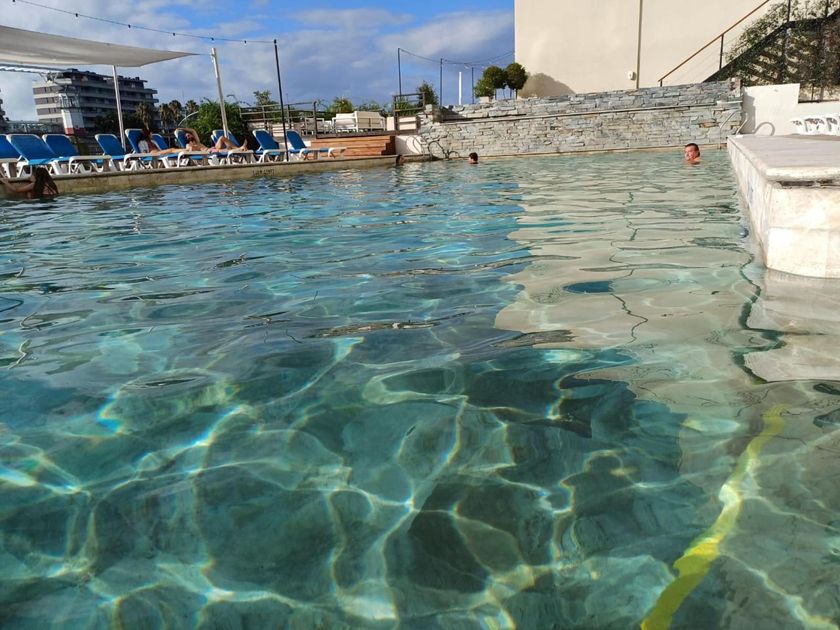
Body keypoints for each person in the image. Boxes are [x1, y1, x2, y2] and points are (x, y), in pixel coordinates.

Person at [181, 127, 246, 153]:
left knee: (222, 137)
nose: (187, 137)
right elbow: (190, 150)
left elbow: (192, 130)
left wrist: (181, 129)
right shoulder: (188, 144)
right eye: (186, 137)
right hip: (208, 152)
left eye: (188, 135)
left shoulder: (197, 141)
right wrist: (192, 146)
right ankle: (240, 149)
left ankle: (238, 148)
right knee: (225, 149)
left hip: (211, 148)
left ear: (192, 135)